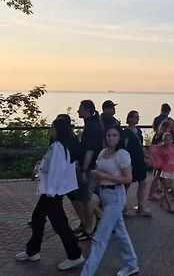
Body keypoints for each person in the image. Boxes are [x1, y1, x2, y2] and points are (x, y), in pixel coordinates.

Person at [16, 116, 85, 271]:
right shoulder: (62, 145)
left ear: (57, 129)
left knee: (59, 224)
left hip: (52, 192)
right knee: (38, 218)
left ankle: (74, 255)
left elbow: (56, 170)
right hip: (52, 191)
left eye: (52, 127)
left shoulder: (58, 147)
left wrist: (51, 192)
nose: (50, 129)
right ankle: (32, 251)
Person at [80, 125, 138, 276]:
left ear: (119, 138)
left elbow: (128, 178)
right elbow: (100, 173)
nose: (111, 138)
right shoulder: (102, 152)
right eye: (108, 135)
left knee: (100, 237)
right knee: (120, 232)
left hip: (117, 196)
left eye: (114, 135)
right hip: (104, 195)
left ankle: (87, 273)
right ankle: (131, 264)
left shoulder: (122, 154)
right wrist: (95, 177)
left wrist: (104, 176)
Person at [72, 100, 104, 241]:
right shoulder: (95, 124)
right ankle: (96, 221)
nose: (78, 111)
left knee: (86, 198)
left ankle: (89, 229)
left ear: (87, 110)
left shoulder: (91, 126)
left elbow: (90, 149)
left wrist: (84, 168)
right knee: (87, 197)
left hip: (89, 167)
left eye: (80, 108)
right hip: (93, 165)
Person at [122, 110, 151, 217]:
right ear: (129, 118)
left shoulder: (138, 131)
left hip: (139, 159)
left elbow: (141, 146)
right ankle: (124, 208)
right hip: (130, 160)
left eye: (138, 117)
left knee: (143, 183)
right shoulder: (126, 132)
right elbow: (124, 147)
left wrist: (146, 156)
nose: (137, 118)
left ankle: (141, 206)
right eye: (135, 117)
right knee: (126, 184)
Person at [151, 132, 174, 213]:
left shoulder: (173, 148)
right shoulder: (161, 149)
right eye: (166, 140)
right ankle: (170, 206)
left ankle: (163, 196)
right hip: (165, 170)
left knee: (173, 189)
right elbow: (155, 155)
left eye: (170, 140)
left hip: (172, 170)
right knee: (166, 188)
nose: (168, 141)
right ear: (163, 140)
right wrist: (155, 169)